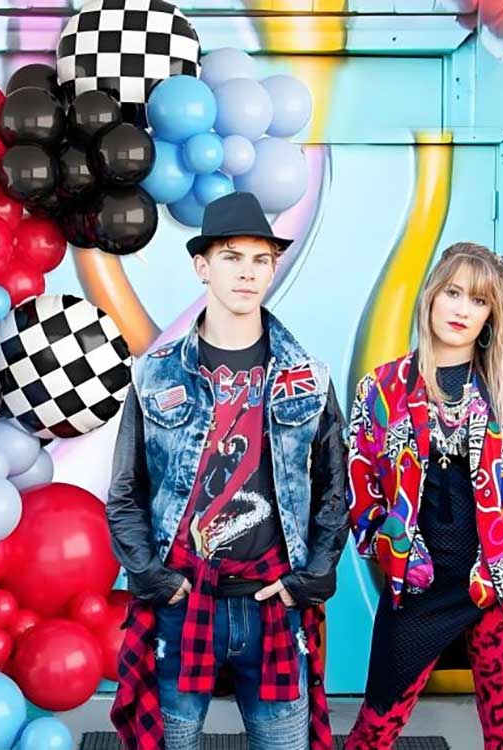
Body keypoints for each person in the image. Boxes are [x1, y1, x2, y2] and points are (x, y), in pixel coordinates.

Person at [106, 191, 349, 750]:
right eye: (232, 257)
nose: (248, 272)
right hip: (182, 603)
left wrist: (312, 577)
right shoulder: (155, 374)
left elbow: (334, 489)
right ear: (202, 266)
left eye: (261, 259)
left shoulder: (308, 376)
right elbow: (125, 491)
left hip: (273, 601)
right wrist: (153, 578)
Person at [345, 242, 503, 750]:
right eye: (453, 292)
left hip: (497, 590)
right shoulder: (382, 388)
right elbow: (361, 487)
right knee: (374, 729)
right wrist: (392, 550)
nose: (463, 309)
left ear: (491, 315)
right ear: (431, 296)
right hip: (417, 589)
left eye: (479, 300)